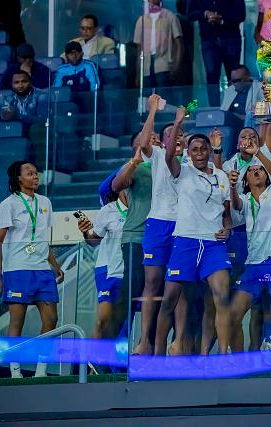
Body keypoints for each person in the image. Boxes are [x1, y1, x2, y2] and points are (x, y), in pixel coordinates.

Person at [154, 110, 233, 355]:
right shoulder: (183, 171)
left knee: (221, 297)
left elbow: (226, 214)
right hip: (186, 241)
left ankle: (222, 355)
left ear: (209, 151)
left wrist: (228, 229)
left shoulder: (221, 176)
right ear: (188, 152)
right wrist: (178, 122)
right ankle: (156, 356)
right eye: (194, 149)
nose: (199, 153)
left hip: (213, 244)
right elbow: (169, 155)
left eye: (203, 149)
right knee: (169, 300)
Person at [0, 161, 65, 378]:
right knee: (17, 321)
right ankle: (15, 370)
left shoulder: (45, 202)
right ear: (18, 178)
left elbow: (41, 239)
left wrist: (55, 265)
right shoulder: (9, 204)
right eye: (29, 173)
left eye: (36, 172)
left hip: (42, 269)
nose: (35, 176)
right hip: (17, 269)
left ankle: (41, 370)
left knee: (51, 319)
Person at [228, 129, 271, 352]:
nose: (256, 171)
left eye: (260, 170)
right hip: (254, 263)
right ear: (246, 181)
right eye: (251, 171)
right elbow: (235, 205)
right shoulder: (245, 199)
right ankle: (240, 362)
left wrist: (257, 152)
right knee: (233, 314)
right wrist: (232, 186)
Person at [132, 95, 184, 355]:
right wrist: (153, 110)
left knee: (179, 283)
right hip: (158, 224)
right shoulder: (159, 155)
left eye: (180, 133)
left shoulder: (196, 161)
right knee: (152, 281)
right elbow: (143, 143)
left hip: (185, 227)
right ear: (163, 141)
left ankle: (177, 342)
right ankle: (145, 341)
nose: (176, 137)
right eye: (171, 134)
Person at [110, 131, 155, 351]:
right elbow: (115, 186)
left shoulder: (168, 166)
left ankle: (148, 350)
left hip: (163, 240)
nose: (152, 140)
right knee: (130, 295)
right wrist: (134, 161)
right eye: (147, 139)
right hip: (137, 237)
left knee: (157, 298)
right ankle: (102, 352)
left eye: (156, 138)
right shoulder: (134, 166)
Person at [76, 192, 128, 340]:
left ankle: (116, 356)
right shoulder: (108, 209)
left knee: (123, 323)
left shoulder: (143, 207)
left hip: (131, 269)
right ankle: (94, 354)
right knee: (103, 320)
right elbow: (94, 241)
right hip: (107, 267)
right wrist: (86, 233)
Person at [187, 0, 246, 106]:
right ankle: (214, 111)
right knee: (211, 76)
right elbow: (190, 14)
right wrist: (205, 14)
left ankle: (234, 108)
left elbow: (241, 15)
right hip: (208, 40)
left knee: (233, 75)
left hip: (230, 38)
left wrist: (221, 20)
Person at [134, 0, 183, 88]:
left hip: (164, 66)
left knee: (164, 94)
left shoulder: (170, 17)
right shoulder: (141, 20)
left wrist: (177, 66)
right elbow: (139, 49)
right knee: (148, 95)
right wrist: (138, 73)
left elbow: (179, 44)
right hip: (146, 68)